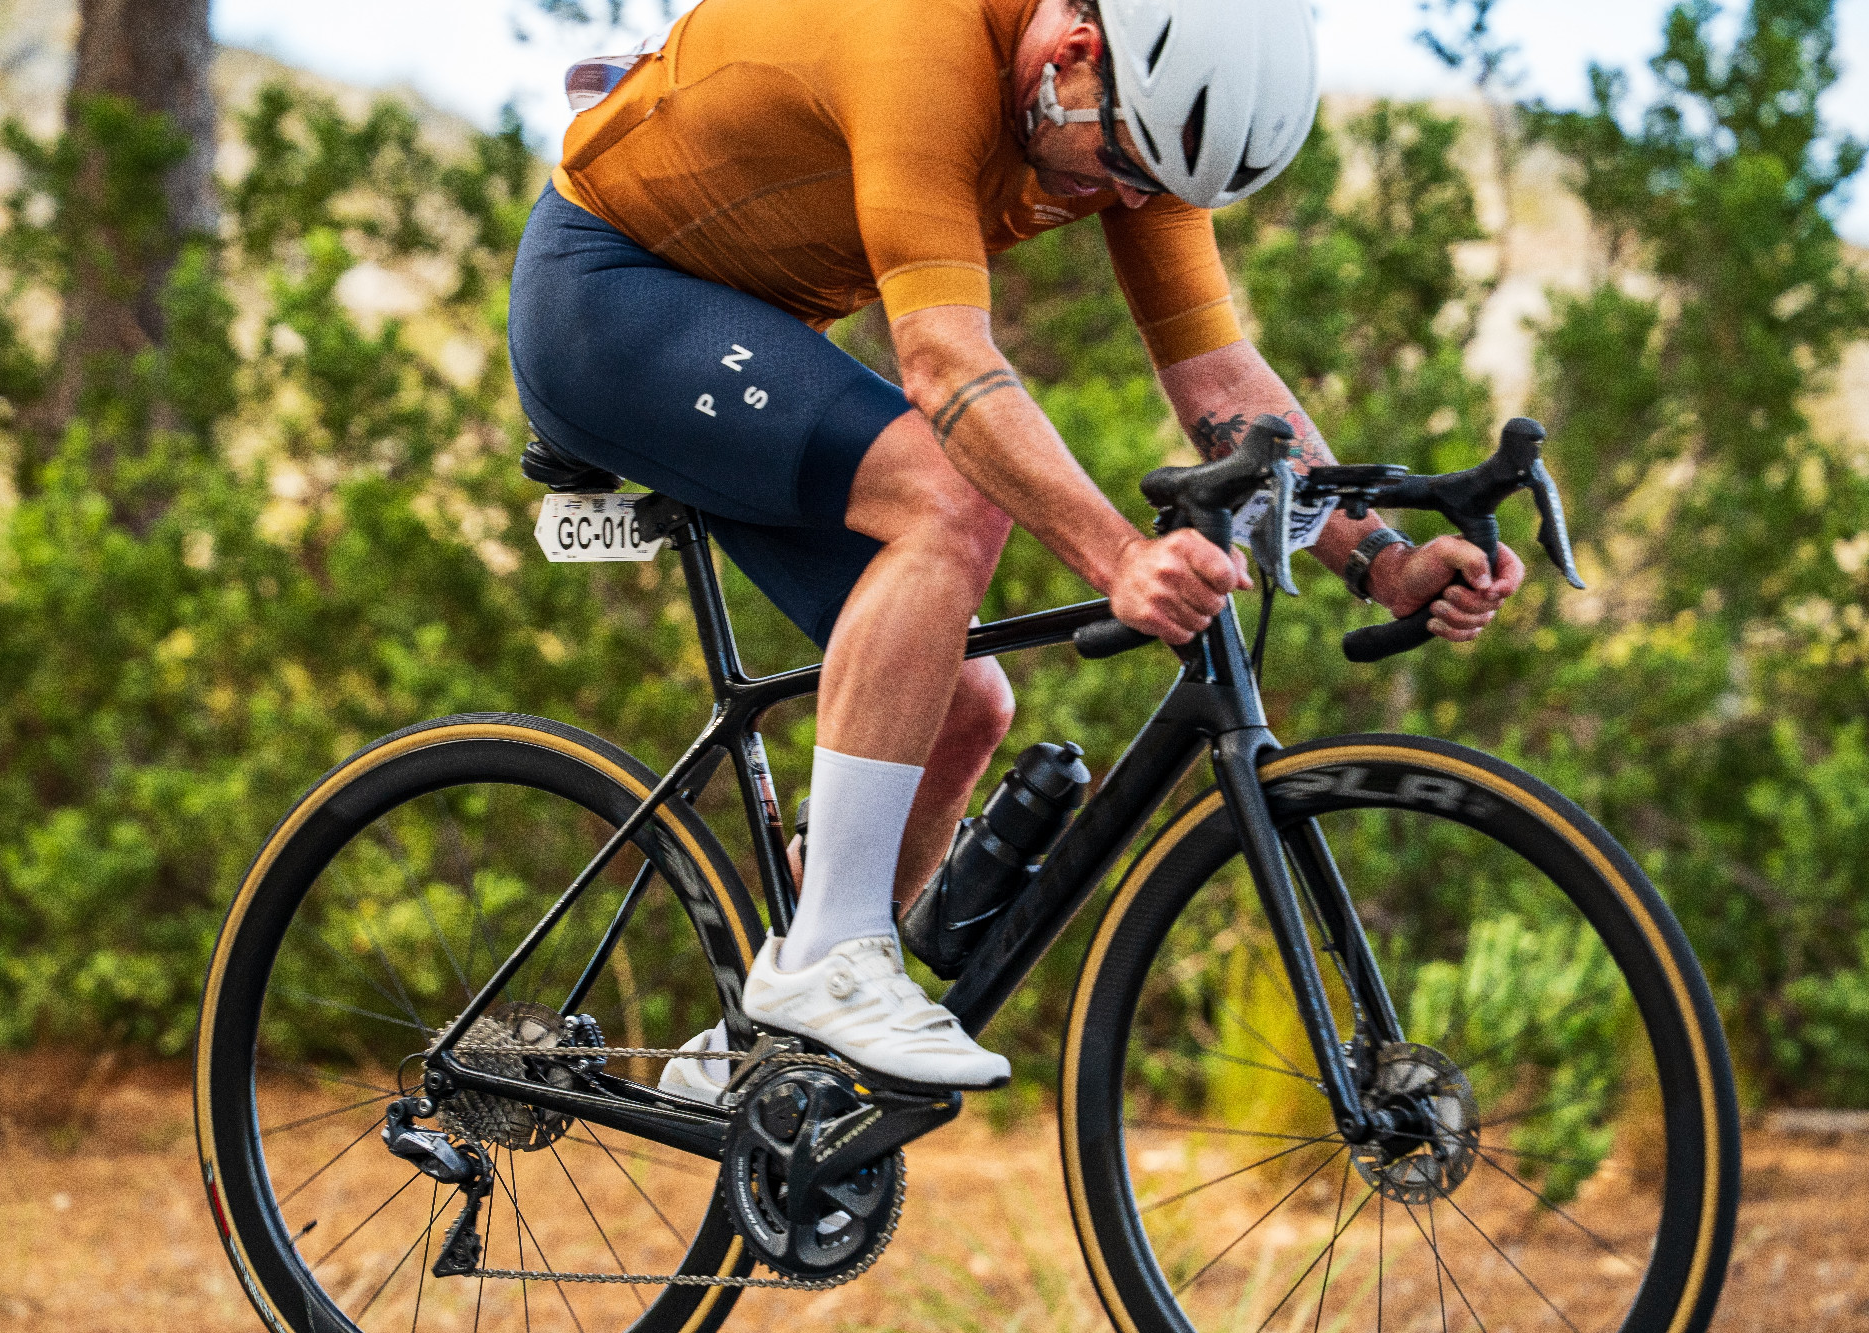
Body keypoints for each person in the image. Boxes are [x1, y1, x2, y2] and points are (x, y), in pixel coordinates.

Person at [507, 0, 1526, 1095]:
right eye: (1121, 166)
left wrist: (1381, 560)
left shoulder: (1139, 125)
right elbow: (943, 366)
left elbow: (1217, 376)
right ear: (1076, 53)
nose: (1124, 200)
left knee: (961, 705)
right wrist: (1119, 560)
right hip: (602, 302)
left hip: (745, 331)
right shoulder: (924, 41)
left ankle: (758, 1057)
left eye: (1151, 186)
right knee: (950, 494)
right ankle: (826, 958)